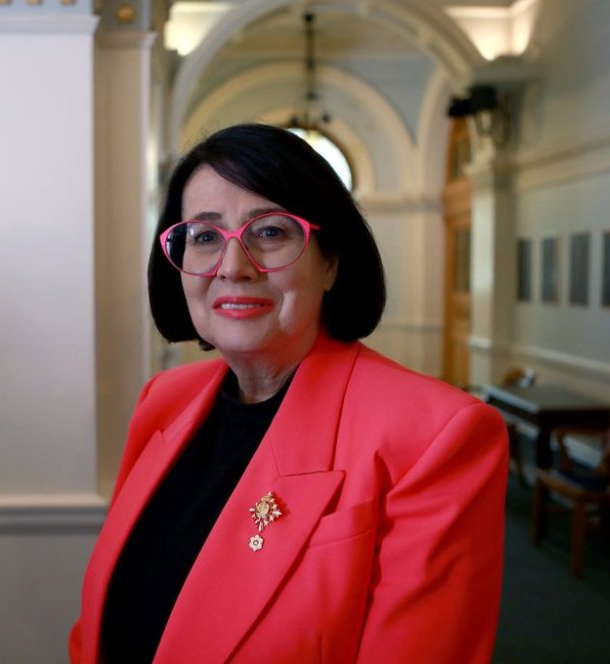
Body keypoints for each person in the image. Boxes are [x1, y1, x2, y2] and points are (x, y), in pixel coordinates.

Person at [69, 123, 508, 663]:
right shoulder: (163, 400)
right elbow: (100, 626)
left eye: (271, 232)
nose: (234, 267)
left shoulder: (434, 436)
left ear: (330, 262)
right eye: (205, 237)